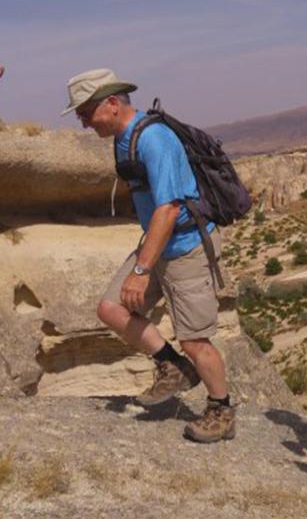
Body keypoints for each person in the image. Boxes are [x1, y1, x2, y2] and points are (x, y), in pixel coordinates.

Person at [61, 68, 234, 443]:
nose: (83, 123)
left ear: (111, 103)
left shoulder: (153, 138)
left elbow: (169, 208)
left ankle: (221, 410)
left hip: (186, 246)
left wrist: (141, 269)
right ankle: (172, 367)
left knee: (195, 340)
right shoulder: (123, 139)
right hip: (158, 243)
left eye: (85, 113)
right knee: (112, 308)